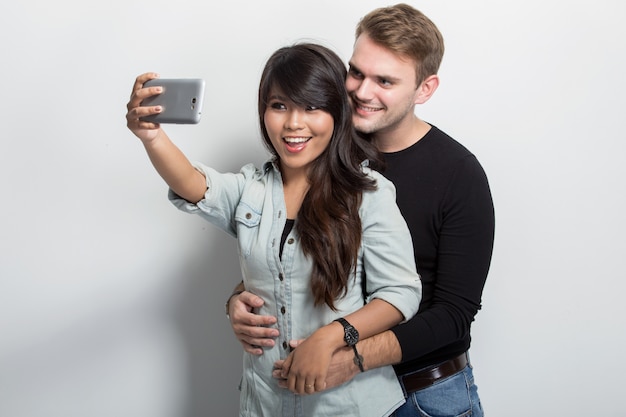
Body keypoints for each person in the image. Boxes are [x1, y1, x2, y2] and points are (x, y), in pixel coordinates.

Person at [125, 43, 422, 417]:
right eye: (279, 106)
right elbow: (193, 184)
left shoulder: (369, 194)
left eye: (312, 107)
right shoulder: (251, 189)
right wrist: (152, 137)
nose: (293, 123)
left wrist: (332, 337)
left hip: (351, 406)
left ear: (337, 112)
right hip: (266, 403)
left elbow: (400, 294)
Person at [227, 4, 495, 417]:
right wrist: (239, 299)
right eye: (357, 72)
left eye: (384, 81)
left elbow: (454, 315)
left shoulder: (458, 173)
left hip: (426, 395)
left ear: (425, 88)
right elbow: (291, 248)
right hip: (323, 391)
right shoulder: (315, 142)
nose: (362, 92)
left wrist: (349, 356)